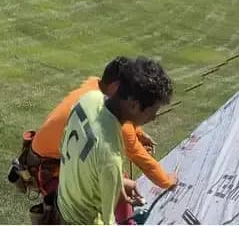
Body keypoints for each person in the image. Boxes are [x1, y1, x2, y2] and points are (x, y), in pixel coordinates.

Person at [56, 57, 175, 225]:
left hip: (62, 203)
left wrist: (117, 181)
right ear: (134, 105)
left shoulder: (88, 99)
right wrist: (112, 179)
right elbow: (107, 220)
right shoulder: (110, 154)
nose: (154, 117)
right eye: (152, 111)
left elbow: (67, 149)